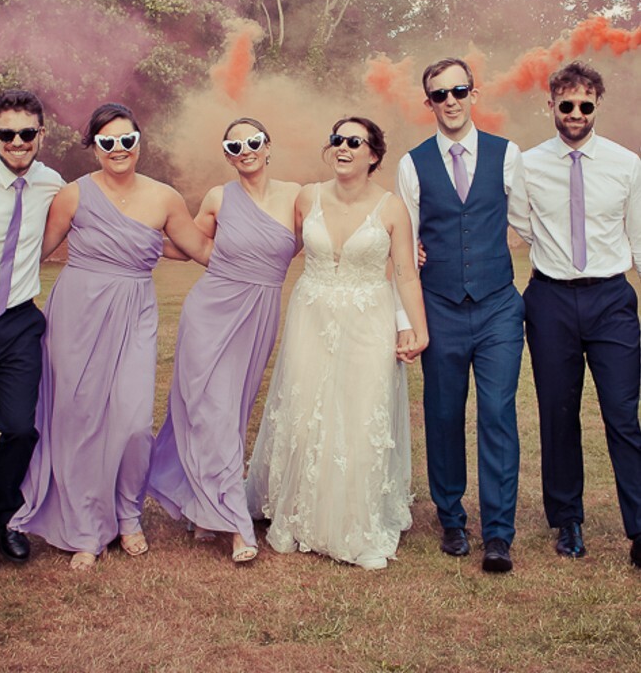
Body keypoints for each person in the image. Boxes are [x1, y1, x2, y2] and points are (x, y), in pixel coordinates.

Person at [10, 103, 212, 570]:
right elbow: (32, 253)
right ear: (94, 148)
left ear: (139, 142)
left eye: (126, 140)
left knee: (133, 422)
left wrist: (284, 241)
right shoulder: (73, 195)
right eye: (107, 142)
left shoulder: (165, 197)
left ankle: (128, 515)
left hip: (134, 314)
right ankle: (85, 527)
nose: (118, 149)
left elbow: (199, 248)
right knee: (78, 419)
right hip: (77, 313)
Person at [246, 116, 428, 571]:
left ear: (373, 155)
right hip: (311, 314)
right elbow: (277, 246)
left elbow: (405, 271)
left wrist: (417, 328)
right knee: (306, 411)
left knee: (362, 412)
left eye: (354, 141)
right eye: (337, 140)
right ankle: (299, 515)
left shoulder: (392, 209)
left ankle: (356, 524)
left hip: (369, 318)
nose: (343, 148)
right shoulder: (307, 196)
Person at [148, 118, 300, 563]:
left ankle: (201, 506)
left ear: (268, 146)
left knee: (230, 413)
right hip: (210, 312)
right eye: (235, 145)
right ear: (228, 154)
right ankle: (235, 526)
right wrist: (137, 231)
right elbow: (187, 244)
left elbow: (334, 236)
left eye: (253, 141)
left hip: (259, 315)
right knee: (209, 410)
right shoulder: (218, 197)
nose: (245, 149)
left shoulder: (297, 197)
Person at [396, 58, 528, 573]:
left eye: (458, 90)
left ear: (474, 92)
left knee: (498, 414)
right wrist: (405, 313)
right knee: (444, 414)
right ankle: (451, 518)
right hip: (441, 307)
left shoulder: (506, 153)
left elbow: (526, 221)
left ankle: (498, 534)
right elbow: (404, 242)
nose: (450, 100)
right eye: (439, 94)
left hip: (497, 305)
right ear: (427, 102)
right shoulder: (412, 164)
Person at [520, 61, 641, 568]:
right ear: (551, 105)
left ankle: (640, 528)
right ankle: (568, 521)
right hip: (550, 298)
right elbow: (519, 226)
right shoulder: (525, 165)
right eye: (565, 104)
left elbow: (637, 238)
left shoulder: (626, 164)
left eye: (585, 105)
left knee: (622, 415)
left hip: (611, 299)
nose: (575, 114)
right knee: (558, 414)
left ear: (597, 106)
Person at [0, 90, 64, 579]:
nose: (17, 141)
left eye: (26, 133)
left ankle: (8, 513)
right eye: (7, 133)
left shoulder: (52, 183)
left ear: (40, 135)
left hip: (18, 321)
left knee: (19, 428)